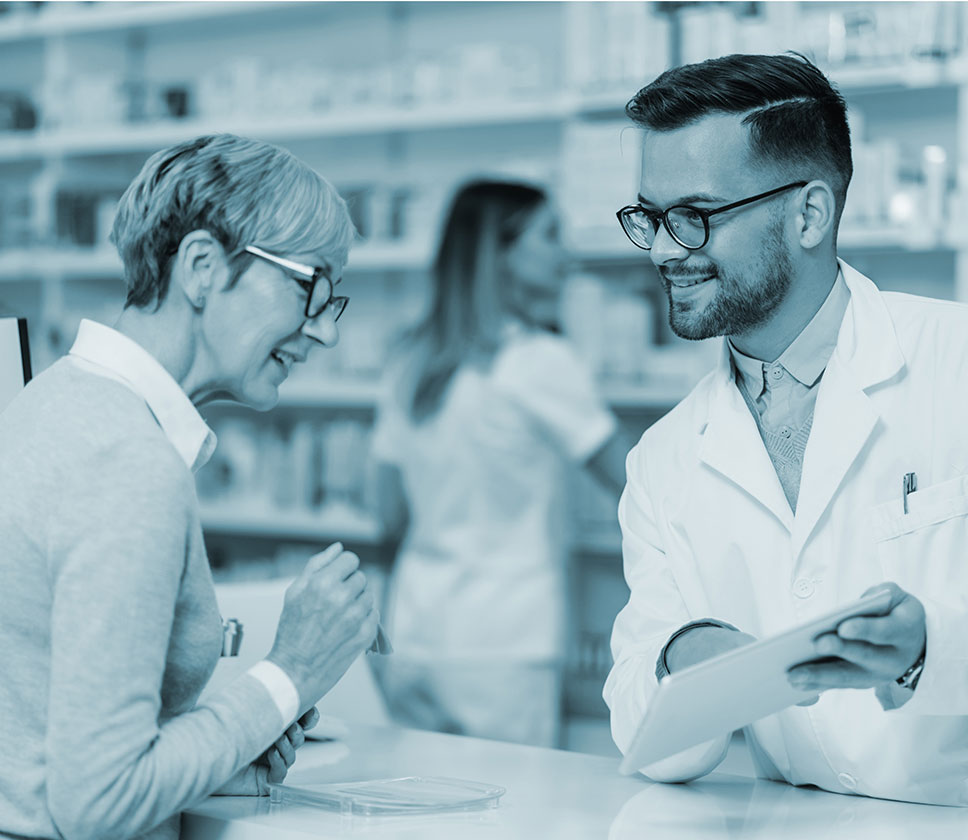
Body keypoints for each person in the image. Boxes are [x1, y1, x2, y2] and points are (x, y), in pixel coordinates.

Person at [604, 52, 968, 806]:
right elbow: (648, 743)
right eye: (651, 218)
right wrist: (684, 660)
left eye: (695, 216)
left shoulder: (954, 364)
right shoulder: (665, 459)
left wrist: (926, 647)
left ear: (808, 214)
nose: (667, 249)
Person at [0, 134, 380, 840]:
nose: (322, 332)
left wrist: (221, 751)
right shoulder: (127, 461)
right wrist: (291, 672)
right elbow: (100, 804)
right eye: (312, 288)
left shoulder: (52, 403)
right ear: (202, 267)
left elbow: (39, 742)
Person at [369, 179, 627, 747]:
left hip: (416, 632)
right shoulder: (538, 362)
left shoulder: (409, 359)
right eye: (550, 236)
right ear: (500, 253)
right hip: (506, 645)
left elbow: (387, 513)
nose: (568, 254)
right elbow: (635, 484)